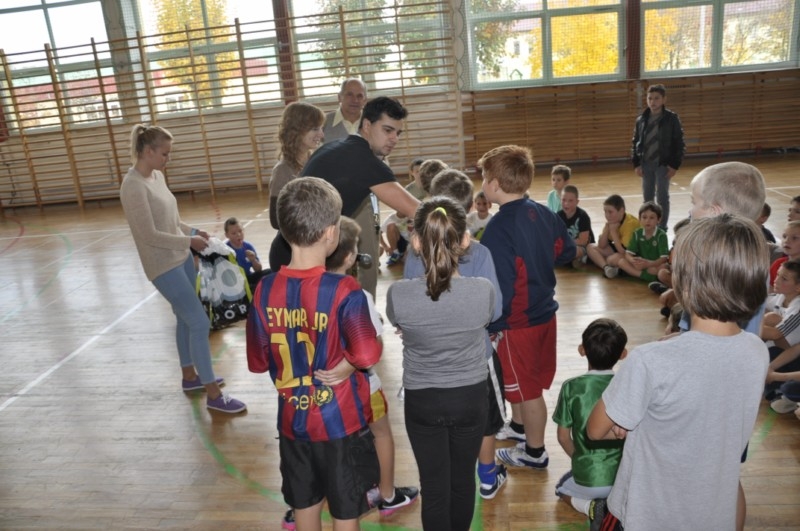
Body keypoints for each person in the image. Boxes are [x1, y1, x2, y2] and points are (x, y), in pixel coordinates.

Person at [586, 214, 770, 531]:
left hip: (647, 514)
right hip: (712, 514)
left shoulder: (649, 361)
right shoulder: (757, 351)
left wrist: (629, 416)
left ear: (683, 282)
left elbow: (595, 429)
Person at [246, 177, 382, 531]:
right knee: (345, 514)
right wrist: (348, 365)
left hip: (293, 423)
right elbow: (367, 353)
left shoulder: (264, 288)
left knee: (304, 506)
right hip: (340, 424)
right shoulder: (345, 289)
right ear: (331, 233)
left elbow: (258, 361)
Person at [280, 216, 419, 530]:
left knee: (312, 451)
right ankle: (387, 494)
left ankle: (301, 507)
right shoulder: (357, 296)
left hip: (305, 393)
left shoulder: (295, 291)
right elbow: (371, 348)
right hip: (358, 391)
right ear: (348, 256)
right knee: (381, 434)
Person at [120, 124, 245, 414]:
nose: (168, 159)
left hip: (181, 258)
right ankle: (214, 395)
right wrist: (188, 241)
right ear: (148, 151)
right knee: (200, 322)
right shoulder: (133, 187)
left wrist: (194, 232)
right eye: (164, 154)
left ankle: (190, 376)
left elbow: (172, 221)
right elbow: (148, 234)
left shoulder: (157, 176)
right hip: (162, 266)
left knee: (185, 319)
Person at [387, 196, 496, 530]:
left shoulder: (398, 295)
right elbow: (486, 319)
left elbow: (401, 323)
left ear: (416, 242)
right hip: (470, 398)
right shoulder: (483, 291)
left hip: (422, 401)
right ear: (465, 240)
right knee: (463, 481)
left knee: (434, 487)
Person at [403, 169, 506, 500]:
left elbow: (405, 309)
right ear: (469, 210)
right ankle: (487, 476)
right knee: (485, 420)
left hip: (427, 366)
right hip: (475, 361)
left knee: (439, 424)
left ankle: (447, 473)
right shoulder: (479, 252)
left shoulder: (414, 253)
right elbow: (495, 311)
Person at [478, 145, 577, 470]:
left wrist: (492, 324)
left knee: (529, 389)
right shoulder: (544, 213)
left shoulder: (497, 228)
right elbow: (567, 251)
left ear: (494, 184)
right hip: (544, 314)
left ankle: (535, 453)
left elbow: (499, 286)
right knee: (520, 380)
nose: (482, 184)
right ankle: (519, 428)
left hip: (517, 323)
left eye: (484, 178)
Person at [300, 96, 420, 299]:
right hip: (307, 259)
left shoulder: (335, 146)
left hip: (299, 252)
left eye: (398, 133)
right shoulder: (365, 161)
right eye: (388, 130)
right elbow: (417, 210)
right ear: (366, 125)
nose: (395, 139)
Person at [553, 318, 627, 520]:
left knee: (561, 487)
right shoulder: (627, 385)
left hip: (587, 477)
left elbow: (562, 437)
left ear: (582, 350)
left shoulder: (571, 387)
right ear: (623, 354)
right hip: (623, 479)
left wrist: (579, 459)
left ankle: (590, 507)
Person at [268, 102, 325, 272]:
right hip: (290, 255)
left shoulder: (317, 160)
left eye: (321, 128)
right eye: (315, 129)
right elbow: (275, 220)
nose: (321, 134)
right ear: (297, 130)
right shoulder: (283, 170)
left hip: (314, 248)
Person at [631, 83, 685, 230]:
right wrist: (637, 163)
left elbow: (679, 143)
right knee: (647, 198)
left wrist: (674, 165)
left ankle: (662, 227)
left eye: (656, 98)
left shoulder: (671, 119)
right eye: (650, 98)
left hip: (663, 164)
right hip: (646, 164)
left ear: (664, 99)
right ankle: (648, 226)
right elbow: (636, 142)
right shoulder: (641, 120)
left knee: (662, 197)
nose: (652, 102)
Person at [586, 194, 640, 279]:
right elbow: (601, 245)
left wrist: (613, 232)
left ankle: (615, 267)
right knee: (590, 247)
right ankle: (607, 268)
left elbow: (623, 252)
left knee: (611, 259)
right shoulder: (613, 221)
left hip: (634, 253)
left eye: (610, 212)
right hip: (620, 248)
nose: (607, 215)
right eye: (605, 211)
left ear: (621, 211)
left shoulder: (630, 224)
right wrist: (607, 229)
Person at [614, 201, 669, 282]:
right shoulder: (637, 233)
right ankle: (646, 276)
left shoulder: (661, 235)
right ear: (639, 219)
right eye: (644, 217)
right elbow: (628, 254)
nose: (647, 221)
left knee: (663, 267)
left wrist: (649, 263)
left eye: (652, 218)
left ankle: (641, 274)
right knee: (622, 262)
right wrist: (633, 261)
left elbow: (663, 258)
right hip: (642, 265)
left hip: (654, 264)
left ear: (659, 220)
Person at [223, 217, 268, 292]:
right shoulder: (225, 250)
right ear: (227, 235)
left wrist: (253, 260)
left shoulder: (248, 246)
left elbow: (258, 270)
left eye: (240, 231)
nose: (238, 235)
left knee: (270, 272)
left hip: (248, 277)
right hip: (235, 283)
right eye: (234, 233)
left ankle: (253, 289)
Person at [557, 184, 594, 267]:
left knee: (574, 251)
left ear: (577, 202)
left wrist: (563, 243)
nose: (566, 203)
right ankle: (570, 260)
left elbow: (583, 241)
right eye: (563, 200)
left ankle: (581, 258)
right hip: (566, 245)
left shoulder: (583, 216)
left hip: (582, 247)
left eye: (570, 201)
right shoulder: (558, 216)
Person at [322, 78, 367, 143]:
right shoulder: (323, 123)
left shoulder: (374, 123)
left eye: (359, 96)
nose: (355, 100)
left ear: (365, 100)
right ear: (339, 97)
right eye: (350, 95)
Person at [769, 220, 800, 285]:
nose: (786, 241)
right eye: (784, 236)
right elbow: (770, 286)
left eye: (794, 238)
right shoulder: (778, 263)